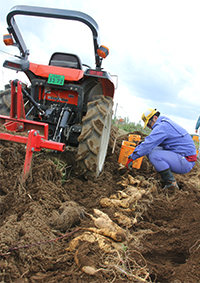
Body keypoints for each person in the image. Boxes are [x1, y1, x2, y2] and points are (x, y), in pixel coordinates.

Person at [126, 108, 197, 189]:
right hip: (181, 155)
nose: (149, 127)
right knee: (151, 151)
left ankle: (171, 184)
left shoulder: (162, 127)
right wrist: (143, 144)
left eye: (149, 124)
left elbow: (148, 144)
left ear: (155, 118)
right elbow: (154, 143)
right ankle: (164, 179)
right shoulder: (164, 123)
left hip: (186, 161)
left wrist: (132, 157)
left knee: (154, 155)